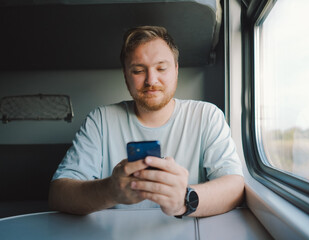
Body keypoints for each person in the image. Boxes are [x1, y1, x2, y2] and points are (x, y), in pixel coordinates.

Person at [49, 26, 244, 218]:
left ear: (176, 70)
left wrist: (183, 200)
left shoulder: (207, 116)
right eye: (138, 70)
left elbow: (234, 186)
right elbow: (58, 194)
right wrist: (109, 190)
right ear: (126, 76)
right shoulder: (101, 120)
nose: (151, 80)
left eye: (161, 68)